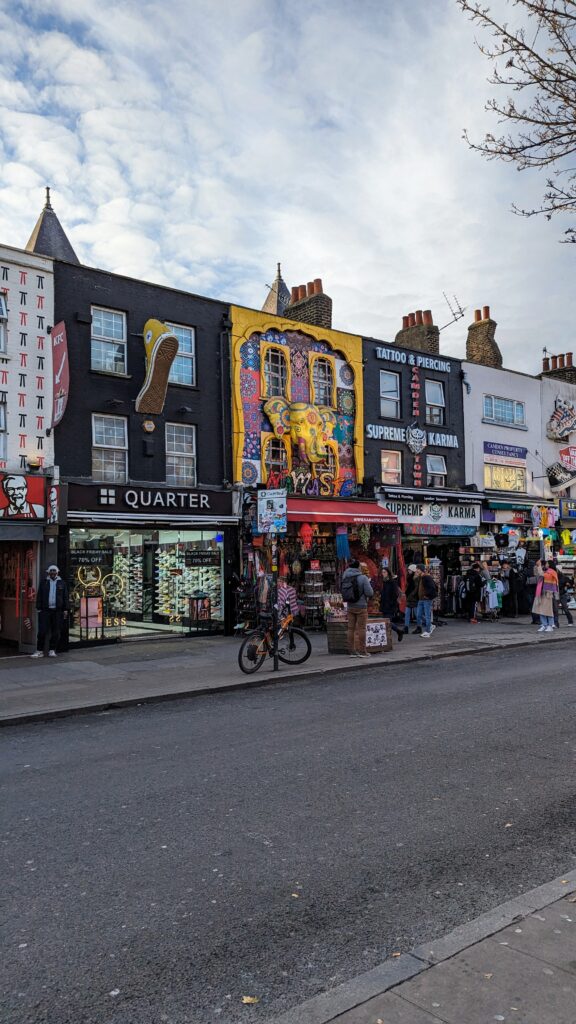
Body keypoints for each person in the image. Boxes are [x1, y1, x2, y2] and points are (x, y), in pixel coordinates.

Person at [31, 565, 69, 658]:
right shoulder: (44, 583)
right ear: (48, 573)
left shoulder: (62, 583)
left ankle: (52, 650)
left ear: (57, 572)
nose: (52, 573)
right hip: (45, 611)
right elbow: (39, 595)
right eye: (51, 572)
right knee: (42, 631)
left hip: (57, 611)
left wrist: (65, 609)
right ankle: (39, 650)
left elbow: (65, 597)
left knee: (56, 631)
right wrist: (38, 608)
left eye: (54, 572)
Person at [341, 558, 374, 658]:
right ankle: (362, 651)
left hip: (350, 606)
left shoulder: (345, 577)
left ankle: (352, 651)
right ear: (358, 567)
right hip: (361, 606)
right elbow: (370, 593)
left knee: (351, 629)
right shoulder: (363, 578)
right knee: (362, 628)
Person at [532, 560, 559, 633]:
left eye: (547, 563)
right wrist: (538, 565)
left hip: (548, 593)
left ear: (550, 564)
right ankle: (544, 624)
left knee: (548, 610)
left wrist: (539, 566)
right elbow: (536, 573)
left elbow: (542, 575)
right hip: (541, 592)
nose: (546, 564)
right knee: (541, 609)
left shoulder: (552, 572)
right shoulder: (546, 570)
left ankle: (550, 625)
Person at [379, 567, 404, 643]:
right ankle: (396, 633)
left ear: (388, 573)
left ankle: (398, 631)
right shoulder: (384, 582)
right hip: (384, 605)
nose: (383, 574)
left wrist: (392, 604)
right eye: (382, 572)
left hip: (390, 605)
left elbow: (395, 594)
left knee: (387, 622)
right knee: (386, 622)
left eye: (385, 572)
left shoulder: (392, 582)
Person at [414, 564, 437, 638]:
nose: (416, 570)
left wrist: (427, 595)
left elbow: (433, 588)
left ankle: (428, 631)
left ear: (422, 570)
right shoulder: (421, 577)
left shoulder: (426, 577)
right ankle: (430, 626)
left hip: (426, 599)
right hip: (421, 599)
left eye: (418, 569)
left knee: (427, 615)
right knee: (418, 615)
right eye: (416, 569)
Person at [404, 564, 419, 634]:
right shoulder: (410, 578)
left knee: (416, 614)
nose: (408, 571)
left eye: (409, 570)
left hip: (414, 598)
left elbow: (416, 589)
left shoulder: (415, 578)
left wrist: (411, 595)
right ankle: (406, 627)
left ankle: (419, 627)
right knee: (407, 613)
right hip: (410, 598)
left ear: (413, 570)